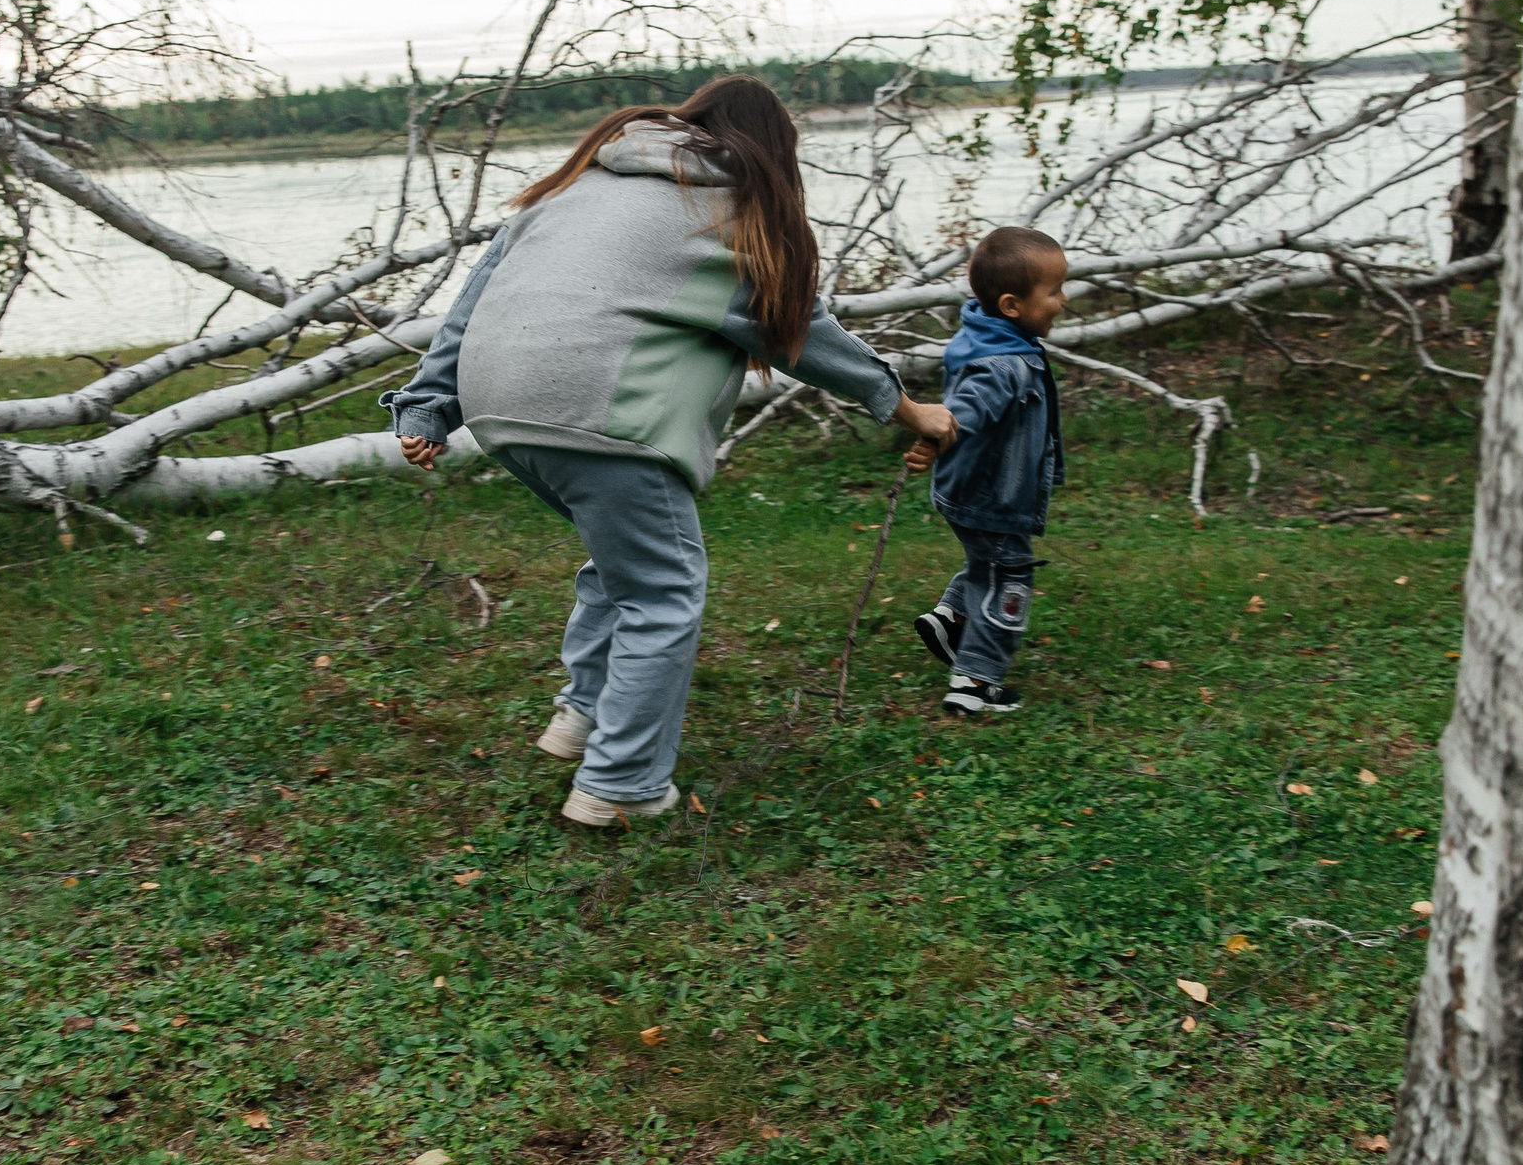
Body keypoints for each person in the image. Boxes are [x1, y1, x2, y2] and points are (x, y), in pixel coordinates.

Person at [384, 75, 960, 826]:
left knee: (623, 561)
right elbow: (801, 333)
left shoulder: (575, 186)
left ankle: (580, 717)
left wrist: (431, 405)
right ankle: (618, 787)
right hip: (600, 413)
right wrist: (908, 407)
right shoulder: (724, 209)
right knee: (663, 589)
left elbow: (471, 301)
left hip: (498, 405)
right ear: (771, 150)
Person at [906, 226, 1069, 715]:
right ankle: (976, 681)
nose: (1063, 301)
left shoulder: (981, 333)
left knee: (988, 561)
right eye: (1055, 291)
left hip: (968, 491)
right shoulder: (1003, 364)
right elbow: (966, 410)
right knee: (1009, 575)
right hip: (991, 496)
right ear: (1012, 305)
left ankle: (952, 617)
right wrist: (934, 439)